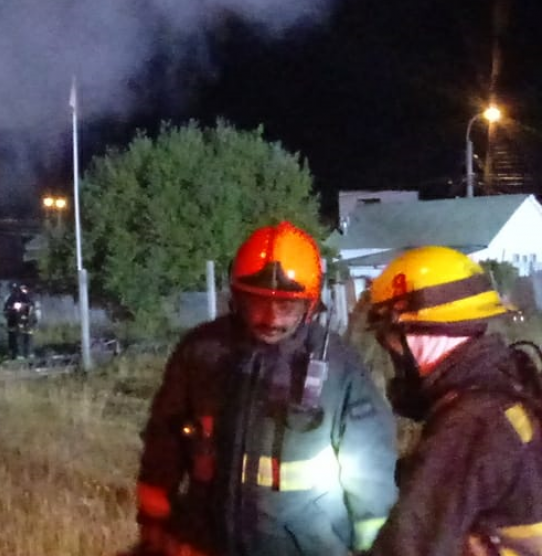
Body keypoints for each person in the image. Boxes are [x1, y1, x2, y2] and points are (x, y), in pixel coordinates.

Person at [127, 220, 397, 556]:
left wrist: (374, 545)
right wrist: (155, 518)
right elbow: (163, 439)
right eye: (258, 303)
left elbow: (371, 466)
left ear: (310, 304)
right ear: (237, 298)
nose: (271, 318)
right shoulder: (201, 351)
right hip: (206, 542)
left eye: (286, 306)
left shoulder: (339, 367)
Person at [365, 246, 542, 556]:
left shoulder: (470, 423)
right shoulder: (506, 385)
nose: (391, 354)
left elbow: (409, 547)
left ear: (417, 330)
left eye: (390, 338)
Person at [4, 283, 39, 359]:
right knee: (19, 338)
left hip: (26, 321)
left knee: (27, 337)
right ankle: (21, 354)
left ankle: (28, 354)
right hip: (18, 322)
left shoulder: (26, 298)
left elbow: (32, 308)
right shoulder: (13, 298)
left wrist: (31, 319)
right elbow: (8, 310)